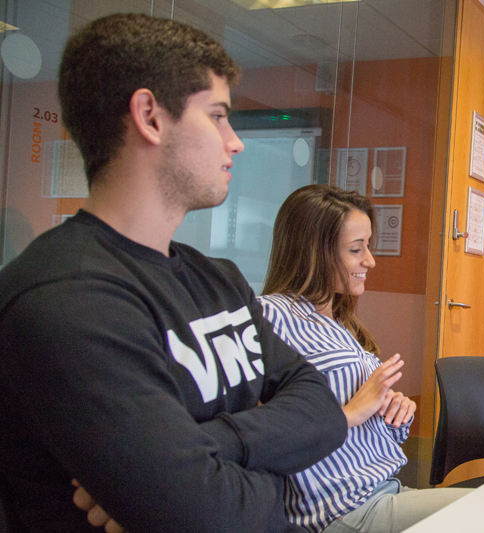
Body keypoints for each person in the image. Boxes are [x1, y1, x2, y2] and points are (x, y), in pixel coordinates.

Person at [0, 13, 347, 533]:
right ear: (150, 117)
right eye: (217, 116)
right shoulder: (68, 299)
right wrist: (272, 469)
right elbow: (206, 516)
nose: (236, 142)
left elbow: (323, 412)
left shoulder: (219, 279)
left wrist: (215, 445)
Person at [258, 185, 468, 533]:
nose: (369, 260)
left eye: (367, 246)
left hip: (383, 489)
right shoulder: (271, 316)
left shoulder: (339, 324)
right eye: (356, 249)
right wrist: (349, 414)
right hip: (341, 509)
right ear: (315, 253)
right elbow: (260, 431)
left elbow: (361, 430)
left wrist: (391, 415)